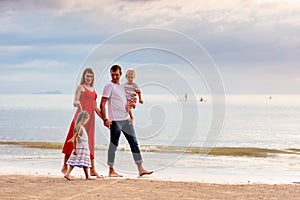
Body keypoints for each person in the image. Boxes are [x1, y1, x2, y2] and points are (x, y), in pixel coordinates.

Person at [100, 64, 153, 177]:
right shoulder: (108, 86)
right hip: (115, 120)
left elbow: (127, 101)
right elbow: (102, 104)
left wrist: (133, 105)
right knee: (114, 144)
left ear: (121, 74)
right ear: (110, 74)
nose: (115, 77)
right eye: (112, 74)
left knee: (134, 143)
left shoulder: (123, 86)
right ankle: (111, 170)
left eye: (117, 74)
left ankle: (140, 168)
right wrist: (105, 119)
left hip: (126, 119)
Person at [61, 67, 102, 178]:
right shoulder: (81, 87)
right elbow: (75, 101)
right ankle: (64, 167)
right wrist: (77, 103)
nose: (89, 78)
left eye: (91, 76)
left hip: (90, 119)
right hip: (80, 117)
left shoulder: (93, 90)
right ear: (84, 76)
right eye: (87, 76)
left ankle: (93, 169)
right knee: (72, 139)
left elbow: (95, 107)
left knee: (90, 143)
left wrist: (105, 119)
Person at [64, 111, 94, 180]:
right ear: (83, 118)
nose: (86, 122)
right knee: (77, 162)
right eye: (86, 120)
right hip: (81, 148)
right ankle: (68, 173)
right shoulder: (79, 127)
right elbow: (75, 139)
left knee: (82, 162)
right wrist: (74, 149)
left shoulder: (80, 127)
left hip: (83, 148)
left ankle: (87, 176)